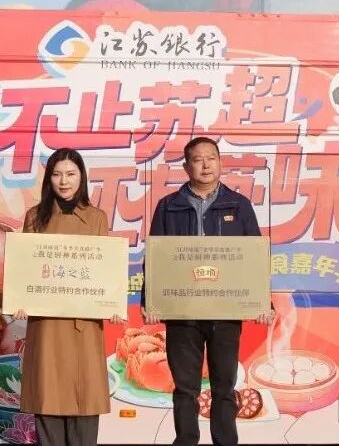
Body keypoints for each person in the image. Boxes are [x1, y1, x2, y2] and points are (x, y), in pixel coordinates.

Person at [141, 137, 274, 446]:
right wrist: (150, 300)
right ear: (186, 166)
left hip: (224, 313)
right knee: (185, 389)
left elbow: (254, 257)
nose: (205, 165)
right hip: (182, 313)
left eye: (211, 158)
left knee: (224, 388)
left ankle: (225, 441)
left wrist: (262, 302)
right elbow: (156, 258)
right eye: (198, 159)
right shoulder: (168, 206)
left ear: (220, 163)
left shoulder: (238, 205)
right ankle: (185, 441)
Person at [14, 147, 124, 446]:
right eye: (57, 174)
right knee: (47, 395)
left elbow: (104, 269)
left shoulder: (97, 217)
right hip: (46, 324)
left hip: (84, 325)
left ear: (81, 177)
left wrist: (113, 302)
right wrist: (20, 299)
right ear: (48, 179)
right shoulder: (35, 217)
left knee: (84, 398)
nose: (64, 181)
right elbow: (26, 268)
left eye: (71, 174)